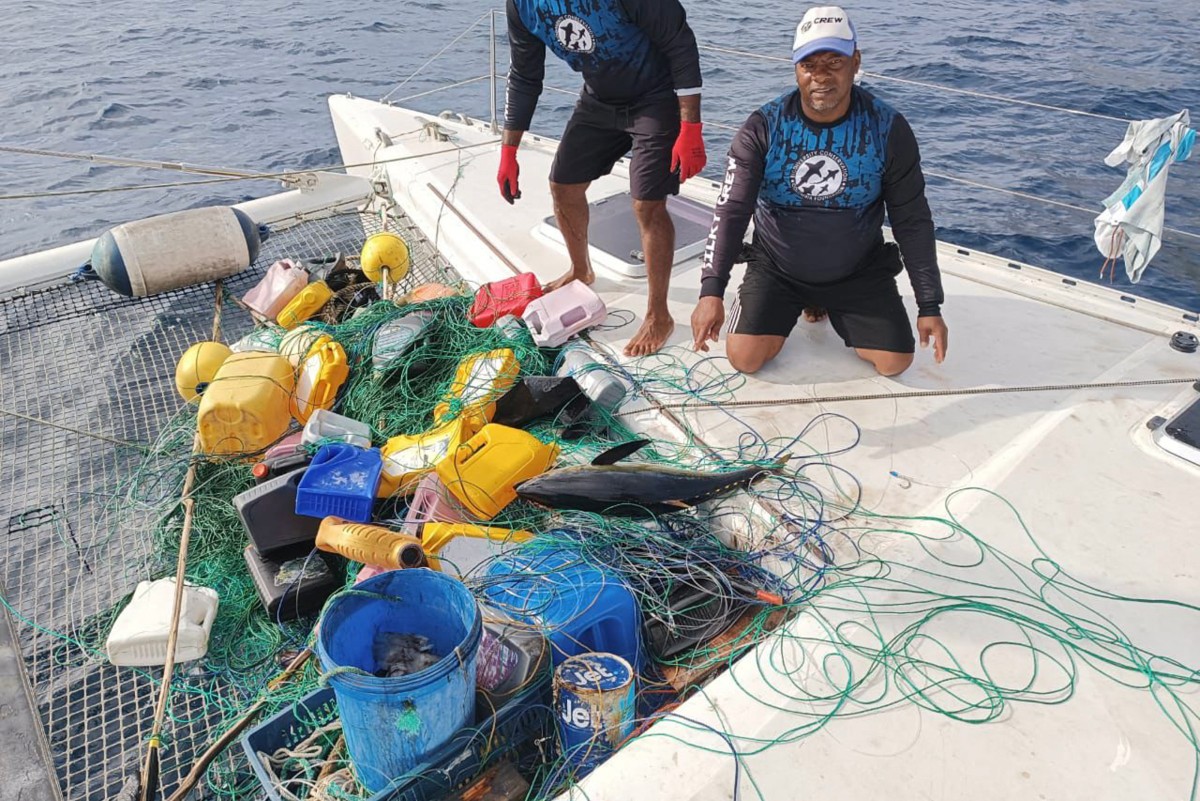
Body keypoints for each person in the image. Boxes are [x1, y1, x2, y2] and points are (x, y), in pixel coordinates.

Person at [690, 6, 948, 376]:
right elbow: (731, 210)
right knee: (744, 358)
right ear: (795, 67)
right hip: (778, 266)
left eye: (834, 62)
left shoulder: (888, 128)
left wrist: (929, 304)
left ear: (856, 61)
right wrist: (711, 291)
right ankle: (795, 303)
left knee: (895, 363)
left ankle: (827, 303)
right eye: (809, 65)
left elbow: (912, 219)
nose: (821, 77)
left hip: (857, 269)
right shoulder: (763, 127)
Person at [499, 0, 707, 356]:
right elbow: (524, 75)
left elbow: (679, 41)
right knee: (562, 184)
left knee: (647, 204)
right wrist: (509, 150)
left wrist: (691, 128)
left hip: (655, 98)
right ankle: (581, 270)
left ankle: (659, 315)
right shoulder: (522, 6)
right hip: (599, 100)